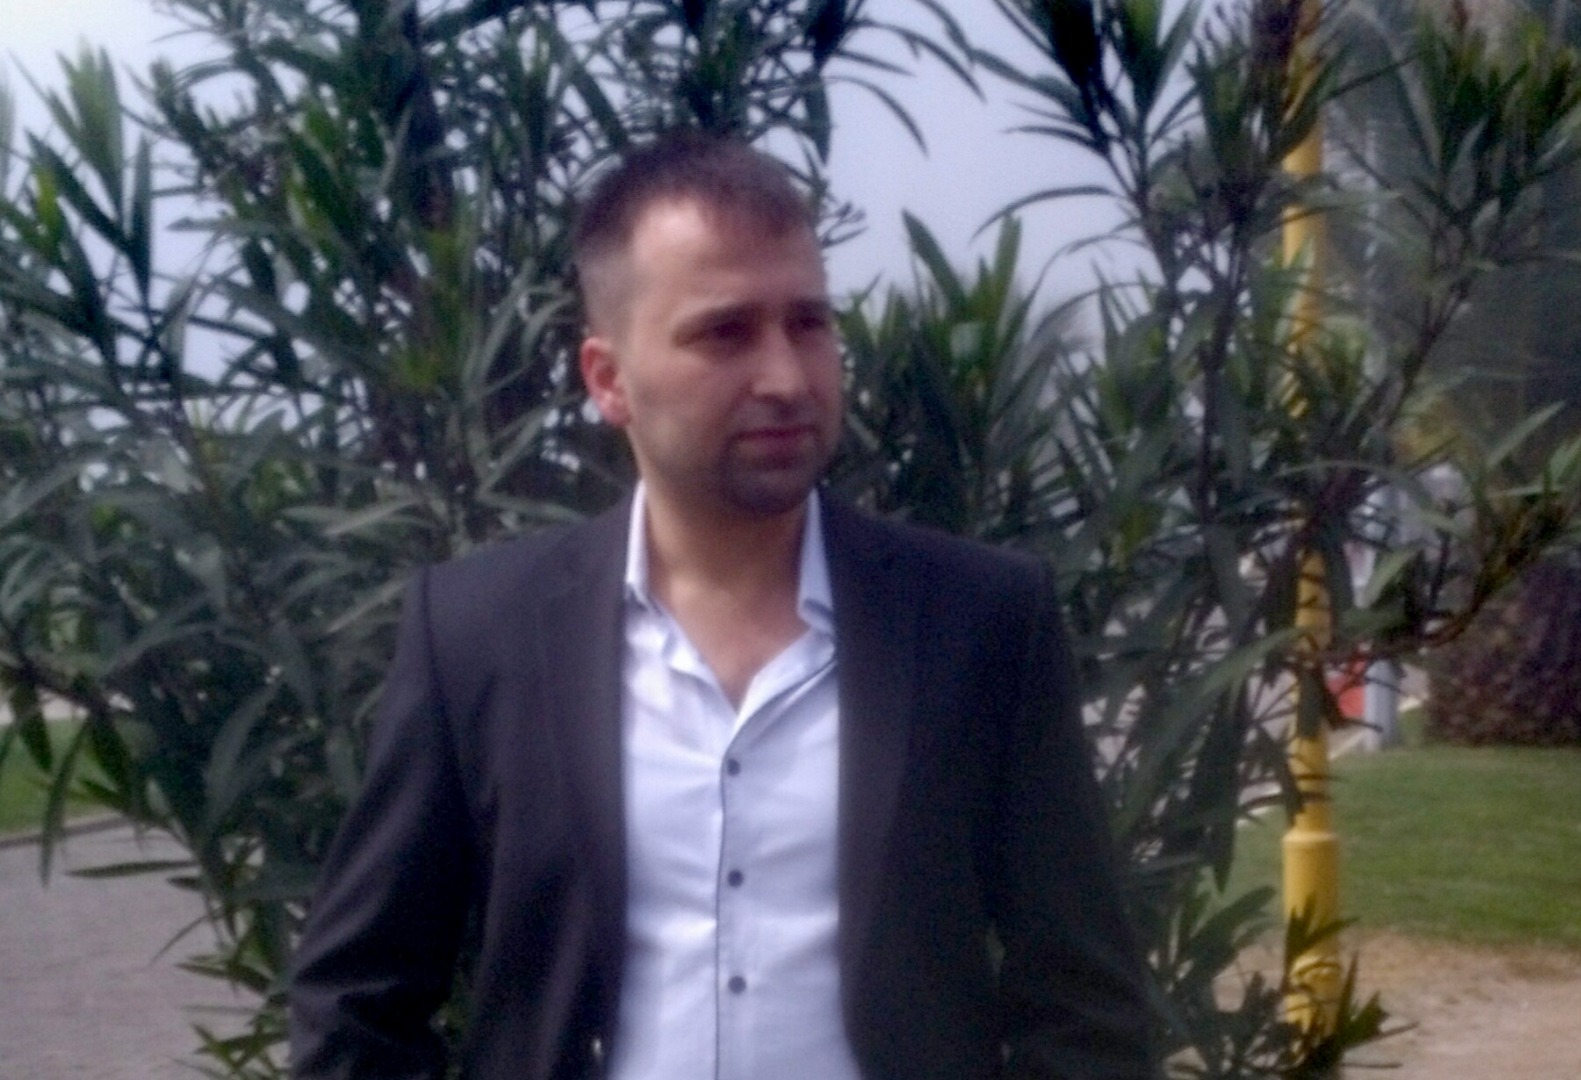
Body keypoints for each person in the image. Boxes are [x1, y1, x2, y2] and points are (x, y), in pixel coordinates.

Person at [288, 132, 1156, 1080]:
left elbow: (1085, 1003)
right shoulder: (478, 633)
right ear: (608, 379)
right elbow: (356, 999)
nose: (785, 377)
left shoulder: (978, 620)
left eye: (808, 323)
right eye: (725, 332)